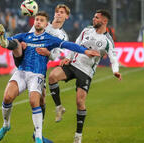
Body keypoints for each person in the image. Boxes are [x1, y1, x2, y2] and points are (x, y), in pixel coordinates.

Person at [0, 11, 100, 143]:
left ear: (45, 24)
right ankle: (6, 125)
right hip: (21, 72)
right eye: (37, 19)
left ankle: (38, 136)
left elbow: (69, 45)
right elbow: (4, 41)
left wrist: (85, 51)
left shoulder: (50, 39)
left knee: (34, 101)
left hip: (37, 75)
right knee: (7, 97)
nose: (38, 21)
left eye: (41, 20)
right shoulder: (26, 36)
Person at [47, 9, 122, 143]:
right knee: (52, 76)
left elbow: (114, 58)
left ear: (104, 21)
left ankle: (78, 136)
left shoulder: (107, 41)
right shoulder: (86, 30)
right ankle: (59, 107)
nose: (94, 19)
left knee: (80, 102)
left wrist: (115, 71)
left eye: (97, 18)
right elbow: (75, 44)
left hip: (86, 71)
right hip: (73, 63)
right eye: (94, 17)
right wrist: (68, 57)